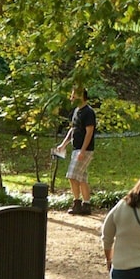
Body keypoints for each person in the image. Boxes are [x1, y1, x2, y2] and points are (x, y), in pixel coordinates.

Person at [53, 87, 98, 215]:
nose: (71, 98)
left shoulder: (89, 112)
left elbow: (89, 133)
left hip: (84, 150)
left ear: (81, 97)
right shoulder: (76, 111)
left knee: (72, 176)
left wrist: (83, 151)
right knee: (82, 178)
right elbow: (73, 130)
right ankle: (86, 205)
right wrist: (63, 145)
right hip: (76, 148)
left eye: (73, 96)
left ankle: (77, 203)